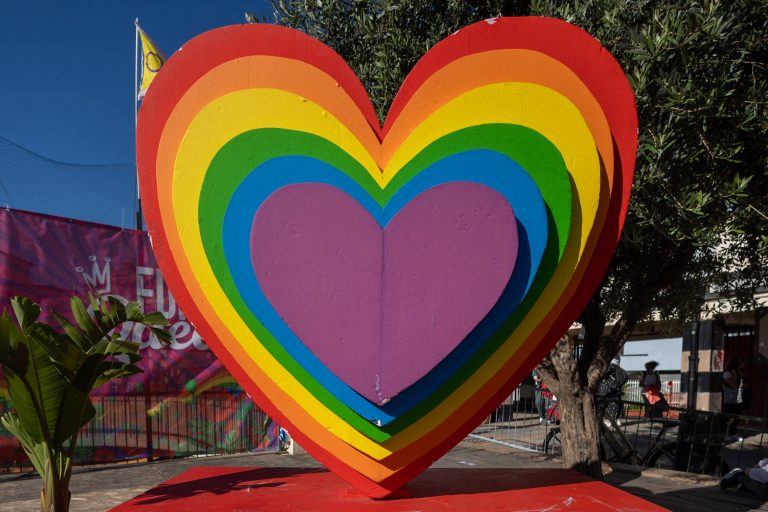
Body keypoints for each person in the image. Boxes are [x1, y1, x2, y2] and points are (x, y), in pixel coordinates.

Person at [597, 357, 628, 427]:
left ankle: (608, 420)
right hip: (616, 389)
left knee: (606, 403)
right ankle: (617, 420)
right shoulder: (620, 370)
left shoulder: (607, 368)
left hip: (606, 390)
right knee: (617, 403)